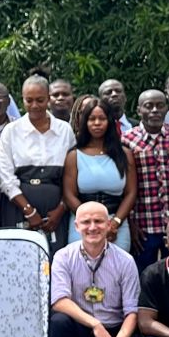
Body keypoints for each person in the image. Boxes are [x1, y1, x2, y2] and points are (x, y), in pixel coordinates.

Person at [48, 201, 142, 337]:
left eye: (98, 221)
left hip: (113, 330)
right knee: (59, 322)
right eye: (86, 222)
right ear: (76, 227)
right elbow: (59, 301)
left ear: (109, 225)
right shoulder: (64, 256)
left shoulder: (125, 261)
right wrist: (94, 324)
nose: (92, 227)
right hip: (81, 328)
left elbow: (132, 312)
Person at [0, 76, 75, 247]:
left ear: (48, 98)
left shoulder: (64, 130)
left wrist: (61, 209)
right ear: (22, 99)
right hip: (18, 210)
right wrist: (28, 211)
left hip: (56, 213)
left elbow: (72, 175)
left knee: (55, 263)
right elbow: (5, 176)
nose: (34, 106)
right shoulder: (11, 131)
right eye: (29, 100)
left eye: (40, 100)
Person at [122, 89, 169, 269]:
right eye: (148, 106)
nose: (154, 110)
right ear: (138, 110)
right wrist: (130, 223)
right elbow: (125, 185)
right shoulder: (127, 139)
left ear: (167, 108)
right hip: (143, 224)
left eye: (160, 106)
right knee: (143, 274)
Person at [65, 95, 136, 253]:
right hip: (83, 224)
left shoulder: (124, 154)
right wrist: (91, 221)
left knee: (117, 272)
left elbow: (131, 193)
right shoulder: (74, 155)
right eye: (91, 119)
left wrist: (114, 223)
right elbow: (69, 194)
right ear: (85, 122)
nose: (97, 123)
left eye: (102, 118)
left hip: (116, 224)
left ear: (110, 121)